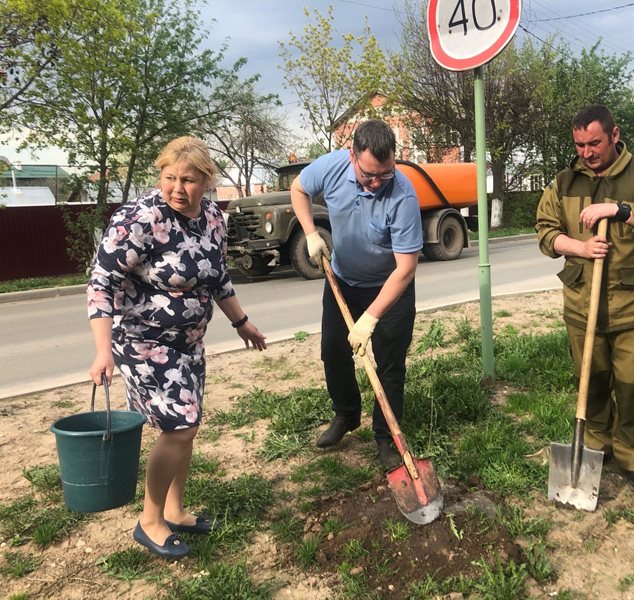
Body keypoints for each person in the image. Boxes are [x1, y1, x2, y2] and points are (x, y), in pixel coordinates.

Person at [87, 136, 267, 559]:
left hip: (188, 343)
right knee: (180, 428)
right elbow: (101, 285)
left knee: (187, 428)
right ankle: (149, 520)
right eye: (170, 178)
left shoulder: (211, 215)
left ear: (207, 180)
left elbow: (217, 274)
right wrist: (102, 350)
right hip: (142, 341)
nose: (178, 188)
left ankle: (175, 510)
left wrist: (241, 322)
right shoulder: (138, 218)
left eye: (188, 179)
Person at [535, 104, 634, 493]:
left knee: (633, 384)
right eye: (580, 144)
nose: (587, 152)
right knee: (592, 381)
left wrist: (619, 210)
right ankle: (597, 446)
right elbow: (545, 231)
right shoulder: (565, 182)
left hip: (631, 305)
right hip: (582, 304)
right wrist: (579, 248)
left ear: (614, 135)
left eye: (595, 143)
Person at [290, 120, 423, 470]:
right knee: (333, 351)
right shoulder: (331, 167)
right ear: (352, 156)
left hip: (390, 288)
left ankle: (386, 436)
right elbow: (298, 189)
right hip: (344, 282)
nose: (377, 183)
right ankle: (346, 415)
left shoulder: (404, 195)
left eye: (385, 174)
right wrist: (310, 233)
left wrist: (370, 319)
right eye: (369, 175)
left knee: (389, 364)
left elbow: (405, 269)